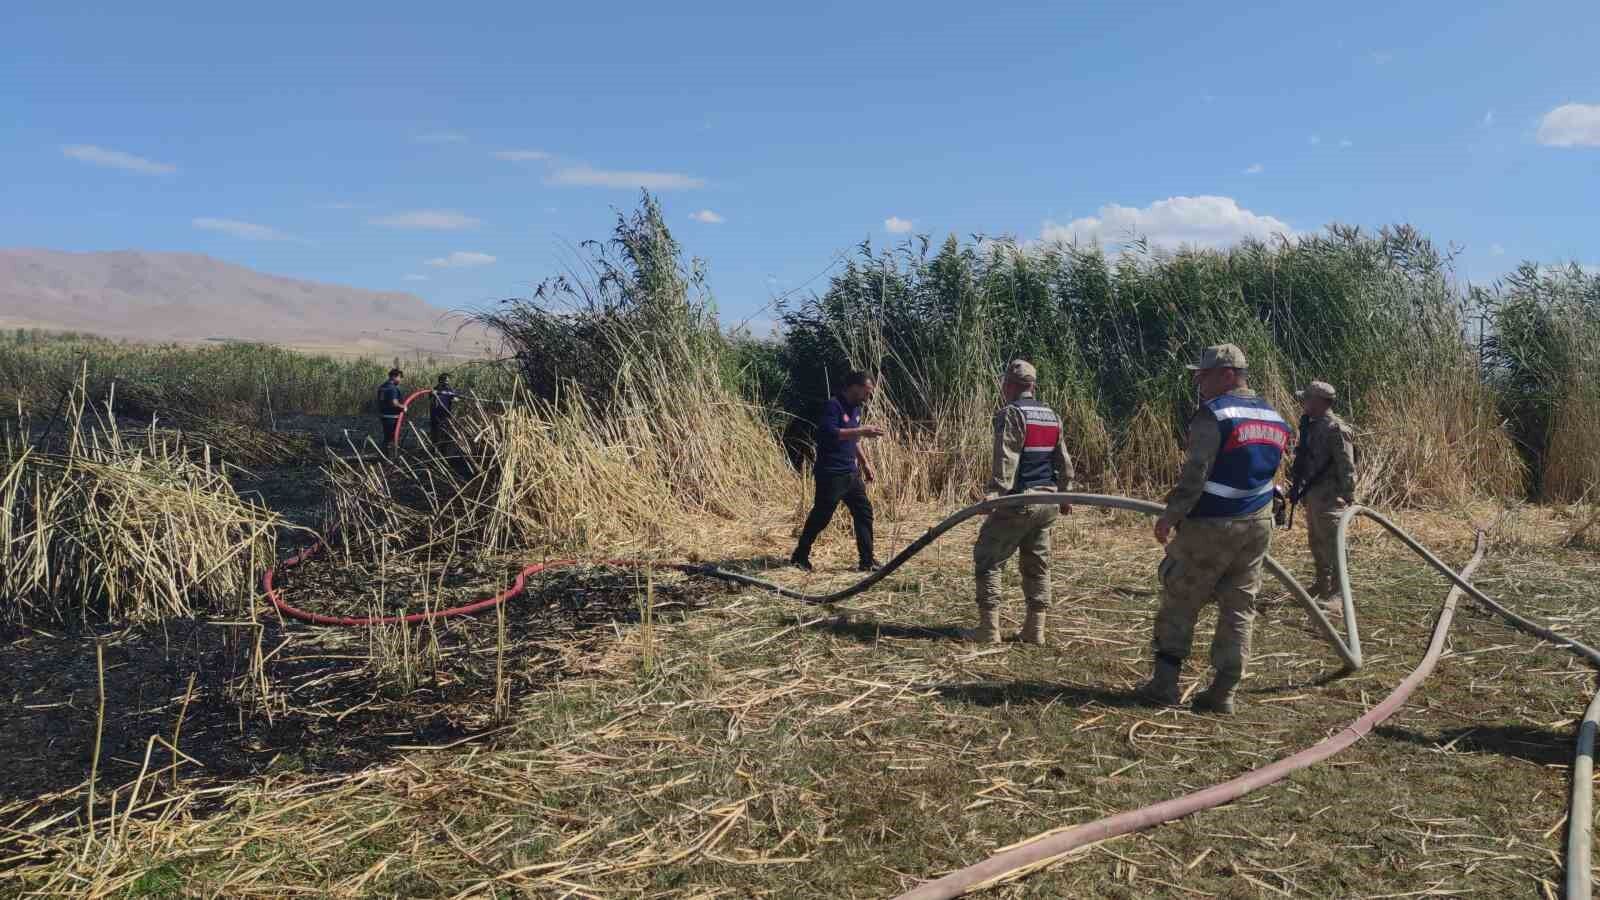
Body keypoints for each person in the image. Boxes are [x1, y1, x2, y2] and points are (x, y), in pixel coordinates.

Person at [1137, 344, 1289, 714]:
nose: (1198, 381)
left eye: (1203, 374)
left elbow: (1196, 474)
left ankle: (1164, 684)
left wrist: (1170, 515)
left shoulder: (1215, 414)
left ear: (1227, 374)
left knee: (1180, 598)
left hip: (1212, 524)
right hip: (1258, 524)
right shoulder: (1274, 416)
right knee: (1239, 606)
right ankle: (1223, 693)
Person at [967, 359, 1075, 644]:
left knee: (988, 557)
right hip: (1048, 500)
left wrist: (995, 493)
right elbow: (1062, 458)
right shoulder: (1051, 414)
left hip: (1020, 499)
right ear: (1033, 385)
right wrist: (1066, 491)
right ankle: (1035, 629)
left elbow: (1007, 456)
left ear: (1009, 385)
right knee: (1037, 563)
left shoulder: (1011, 413)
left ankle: (988, 630)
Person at [790, 371, 885, 573]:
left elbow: (853, 440)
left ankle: (867, 561)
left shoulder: (856, 408)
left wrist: (865, 464)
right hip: (831, 473)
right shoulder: (833, 406)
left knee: (864, 512)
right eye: (866, 392)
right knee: (821, 516)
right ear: (854, 387)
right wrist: (862, 431)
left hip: (851, 472)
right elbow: (830, 433)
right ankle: (800, 556)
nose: (867, 397)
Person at [1290, 380, 1358, 606]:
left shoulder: (1335, 428)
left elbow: (1346, 465)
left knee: (1335, 544)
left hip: (1331, 496)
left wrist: (1348, 494)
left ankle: (1340, 594)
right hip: (1314, 494)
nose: (1304, 403)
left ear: (1319, 402)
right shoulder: (1311, 424)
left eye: (1307, 398)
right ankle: (1322, 583)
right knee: (1316, 541)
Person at [376, 368, 405, 456]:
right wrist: (403, 407)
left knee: (387, 438)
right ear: (394, 377)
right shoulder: (392, 388)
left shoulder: (382, 387)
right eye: (399, 377)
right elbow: (394, 403)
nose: (400, 380)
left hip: (384, 416)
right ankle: (391, 457)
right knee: (392, 438)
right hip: (392, 417)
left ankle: (385, 456)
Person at [430, 373, 460, 450]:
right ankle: (434, 449)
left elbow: (455, 398)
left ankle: (444, 450)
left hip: (446, 415)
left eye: (448, 381)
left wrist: (455, 397)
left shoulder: (450, 389)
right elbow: (431, 397)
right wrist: (434, 393)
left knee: (446, 433)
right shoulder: (435, 389)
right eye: (446, 381)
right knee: (435, 434)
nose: (447, 383)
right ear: (441, 381)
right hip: (435, 416)